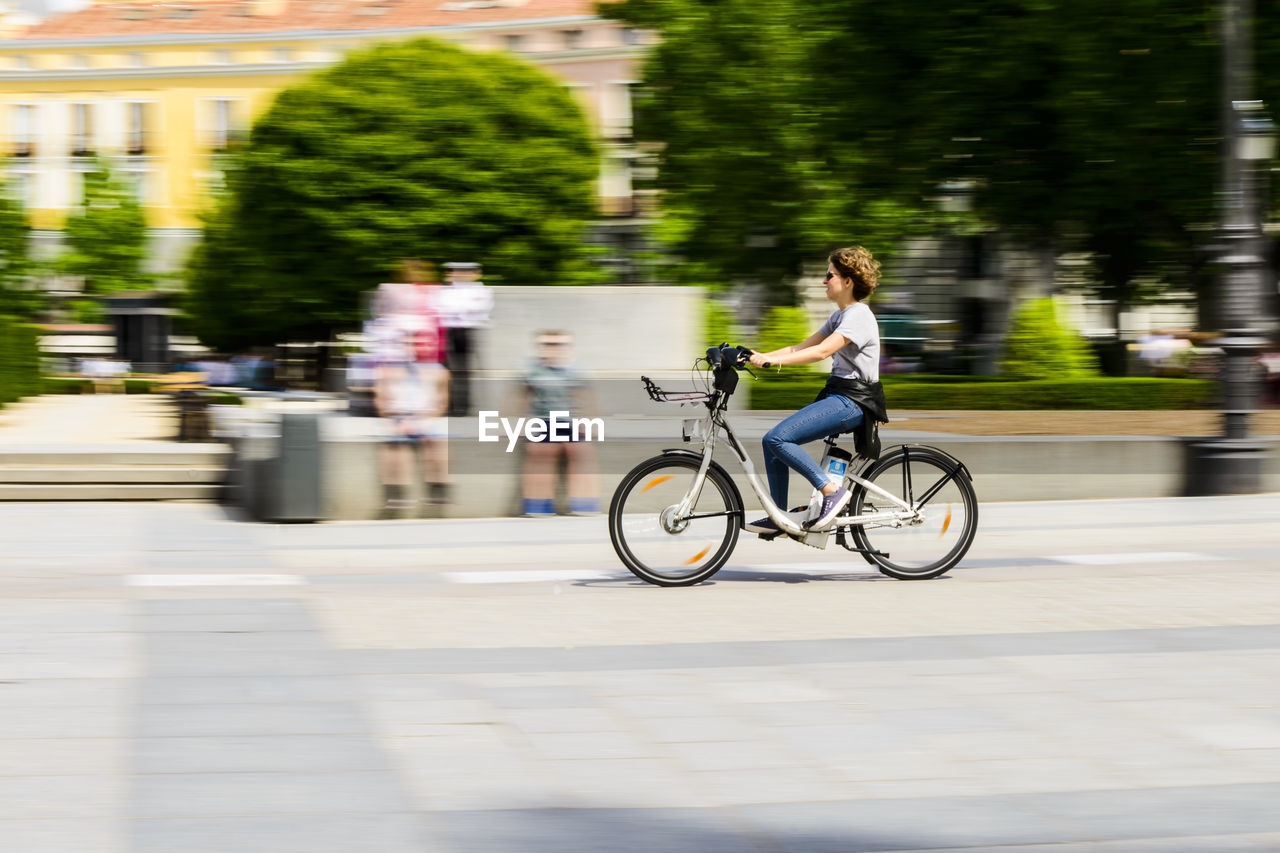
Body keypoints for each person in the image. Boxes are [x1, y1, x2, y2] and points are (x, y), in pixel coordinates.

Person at [746, 246, 888, 534]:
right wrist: (755, 355)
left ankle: (831, 491)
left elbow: (822, 352)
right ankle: (780, 517)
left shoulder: (858, 315)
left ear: (848, 281)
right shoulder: (839, 316)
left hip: (852, 401)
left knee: (778, 439)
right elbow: (800, 348)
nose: (824, 281)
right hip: (839, 396)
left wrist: (773, 360)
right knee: (771, 444)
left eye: (829, 275)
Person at [519, 330, 599, 517]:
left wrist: (589, 423)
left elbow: (586, 398)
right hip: (542, 421)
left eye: (558, 345)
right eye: (548, 345)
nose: (553, 349)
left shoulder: (576, 370)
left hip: (568, 420)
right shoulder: (531, 369)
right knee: (542, 452)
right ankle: (537, 504)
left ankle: (584, 503)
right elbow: (521, 398)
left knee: (578, 450)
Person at [438, 261, 492, 417]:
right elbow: (443, 308)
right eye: (458, 271)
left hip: (468, 331)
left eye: (466, 271)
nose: (461, 274)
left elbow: (478, 308)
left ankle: (463, 406)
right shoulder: (445, 291)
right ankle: (450, 404)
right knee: (447, 370)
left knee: (464, 371)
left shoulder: (482, 291)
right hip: (448, 330)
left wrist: (457, 310)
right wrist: (462, 310)